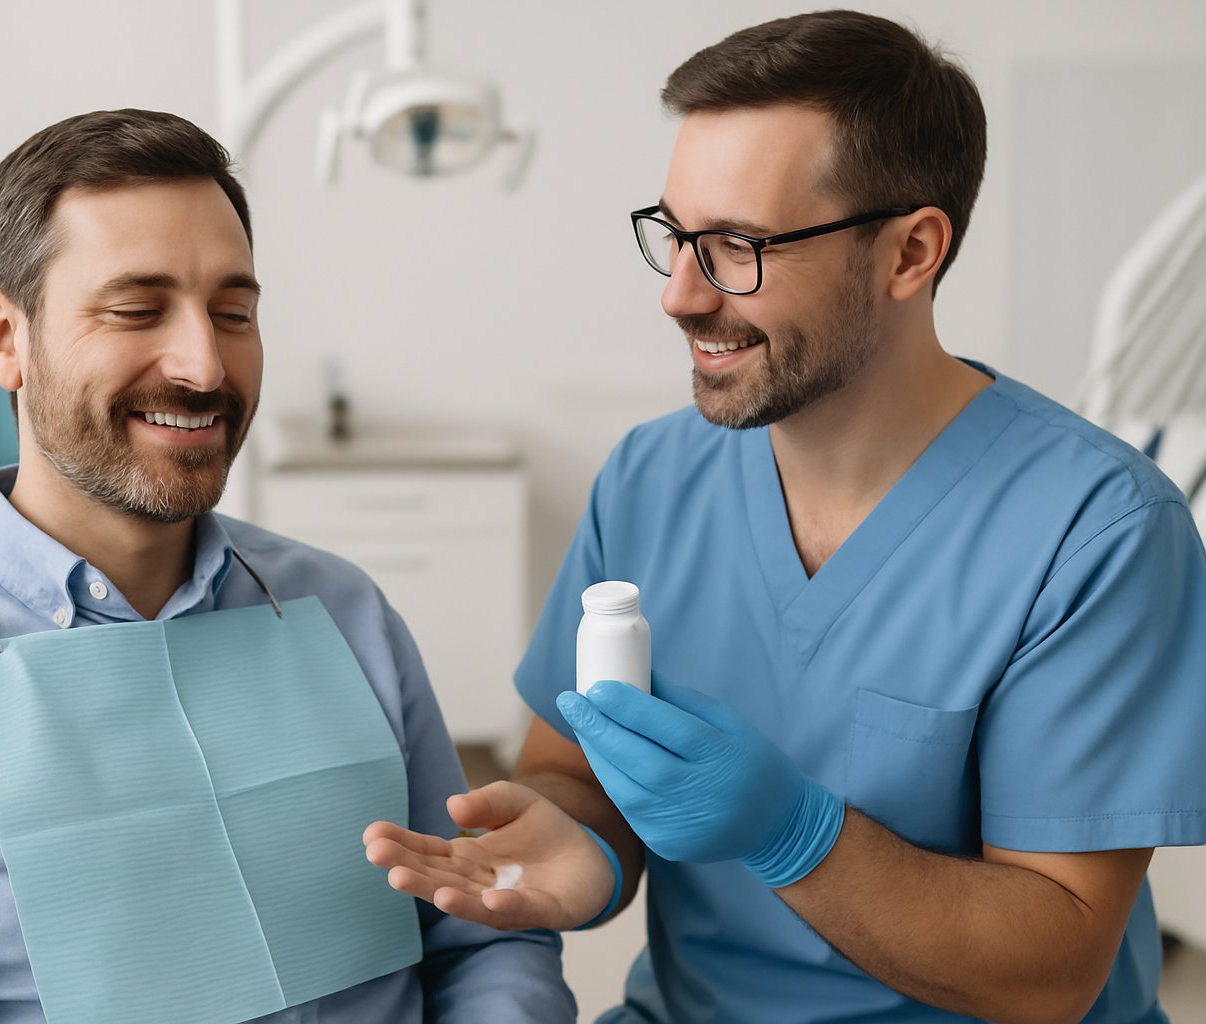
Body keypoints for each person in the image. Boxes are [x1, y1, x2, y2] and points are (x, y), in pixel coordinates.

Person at [364, 11, 1206, 1023]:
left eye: (735, 247)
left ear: (910, 254)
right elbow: (570, 764)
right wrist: (581, 841)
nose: (679, 294)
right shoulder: (652, 477)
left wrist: (795, 830)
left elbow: (1054, 967)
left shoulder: (1096, 531)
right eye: (674, 236)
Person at [0, 109, 574, 1023]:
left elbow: (486, 937)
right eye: (137, 310)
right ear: (4, 339)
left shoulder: (342, 612)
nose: (205, 364)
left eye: (233, 313)